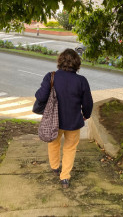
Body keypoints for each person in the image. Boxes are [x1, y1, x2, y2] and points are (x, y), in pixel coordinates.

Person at [35, 48, 93, 189]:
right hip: (73, 121)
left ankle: (55, 167)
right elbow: (87, 102)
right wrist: (86, 114)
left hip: (54, 121)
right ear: (77, 64)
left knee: (53, 143)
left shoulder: (51, 77)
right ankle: (65, 177)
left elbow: (41, 96)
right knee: (70, 148)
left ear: (60, 61)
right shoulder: (81, 80)